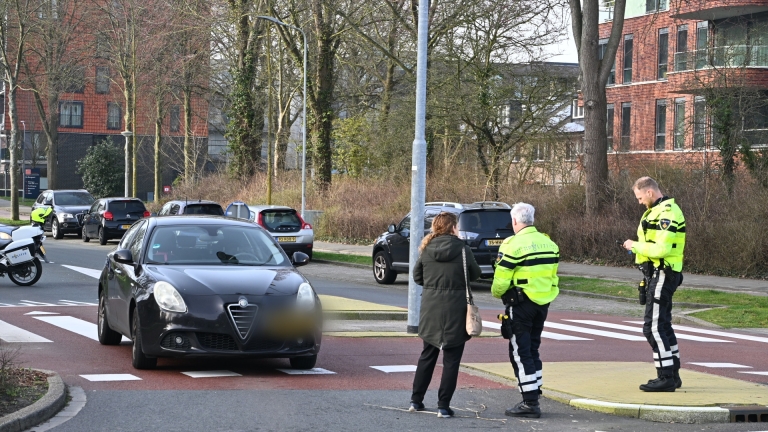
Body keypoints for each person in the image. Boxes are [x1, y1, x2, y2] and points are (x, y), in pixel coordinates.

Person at [410, 212, 481, 419]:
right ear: (452, 228)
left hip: (430, 308)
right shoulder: (463, 250)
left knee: (427, 355)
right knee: (451, 359)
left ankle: (416, 400)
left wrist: (433, 286)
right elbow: (475, 274)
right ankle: (443, 406)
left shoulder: (426, 249)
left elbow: (417, 277)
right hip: (456, 309)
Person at [491, 202, 559, 419]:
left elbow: (500, 281)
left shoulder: (512, 244)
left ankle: (529, 403)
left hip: (520, 304)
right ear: (532, 219)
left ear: (514, 221)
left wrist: (496, 293)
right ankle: (534, 391)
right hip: (542, 303)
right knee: (533, 348)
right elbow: (554, 276)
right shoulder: (549, 243)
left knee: (520, 352)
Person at [623, 176, 686, 392]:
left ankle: (665, 376)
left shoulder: (666, 213)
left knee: (653, 328)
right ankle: (673, 375)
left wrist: (635, 246)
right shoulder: (656, 211)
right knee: (664, 326)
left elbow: (661, 250)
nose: (639, 202)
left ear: (649, 192)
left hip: (663, 273)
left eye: (640, 197)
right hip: (659, 273)